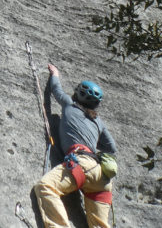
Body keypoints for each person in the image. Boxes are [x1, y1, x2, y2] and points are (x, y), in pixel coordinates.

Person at [34, 63, 117, 228]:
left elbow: (56, 89)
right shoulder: (98, 121)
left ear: (78, 93)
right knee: (100, 225)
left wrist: (55, 73)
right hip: (101, 176)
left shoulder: (69, 104)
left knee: (46, 187)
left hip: (80, 165)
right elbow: (111, 148)